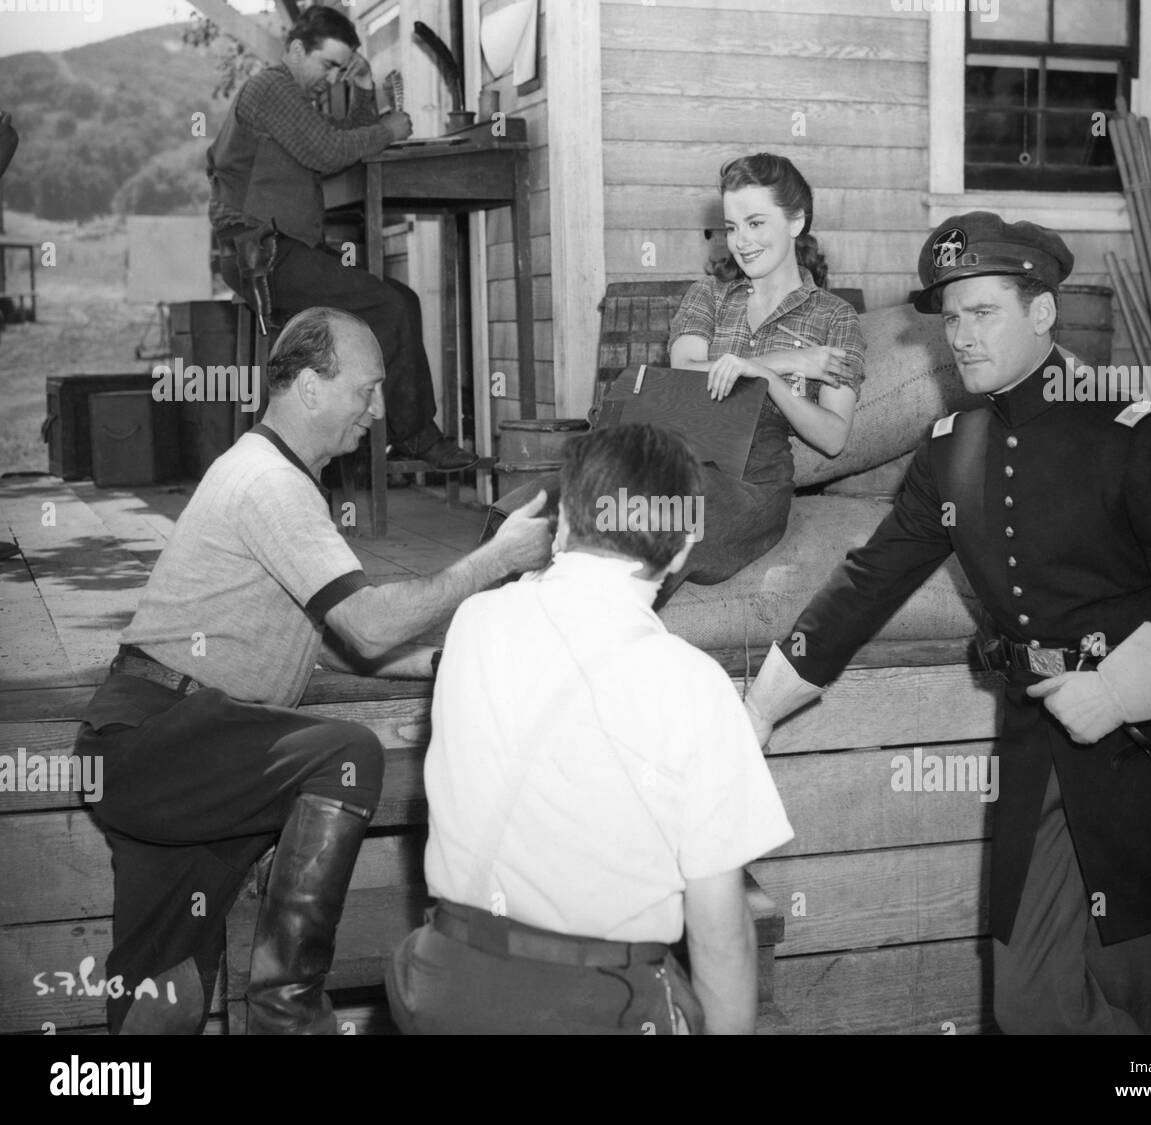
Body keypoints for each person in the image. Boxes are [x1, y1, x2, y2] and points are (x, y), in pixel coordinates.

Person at [742, 212, 1151, 1034]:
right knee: (1029, 1001)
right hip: (1036, 759)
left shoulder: (1134, 434)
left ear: (1043, 312)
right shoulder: (953, 446)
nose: (961, 335)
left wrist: (1116, 690)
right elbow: (866, 581)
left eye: (983, 311)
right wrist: (761, 707)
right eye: (950, 317)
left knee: (1136, 998)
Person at [74, 307, 552, 1035]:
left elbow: (326, 639)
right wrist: (495, 558)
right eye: (367, 388)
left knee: (163, 991)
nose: (378, 409)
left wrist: (443, 661)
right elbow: (365, 621)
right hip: (162, 732)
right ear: (306, 387)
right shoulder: (273, 483)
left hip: (177, 747)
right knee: (348, 756)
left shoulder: (266, 472)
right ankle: (288, 1013)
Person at [386, 423, 794, 1034]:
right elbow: (722, 937)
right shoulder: (693, 683)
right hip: (599, 1003)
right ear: (683, 550)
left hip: (444, 985)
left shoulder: (476, 623)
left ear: (565, 526)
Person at [207, 4, 474, 469]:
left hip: (280, 250)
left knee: (402, 300)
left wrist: (365, 90)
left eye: (339, 70)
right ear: (295, 48)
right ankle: (413, 436)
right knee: (386, 305)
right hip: (260, 255)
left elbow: (341, 139)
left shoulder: (294, 101)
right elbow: (331, 152)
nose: (332, 78)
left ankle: (393, 434)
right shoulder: (271, 88)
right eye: (327, 65)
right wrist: (388, 129)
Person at [658, 152, 866, 603]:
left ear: (796, 221)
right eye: (732, 227)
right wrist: (789, 362)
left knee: (651, 533)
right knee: (559, 503)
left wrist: (763, 376)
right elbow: (684, 375)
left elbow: (833, 437)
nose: (741, 242)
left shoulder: (834, 318)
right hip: (683, 451)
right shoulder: (709, 297)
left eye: (755, 223)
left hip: (753, 482)